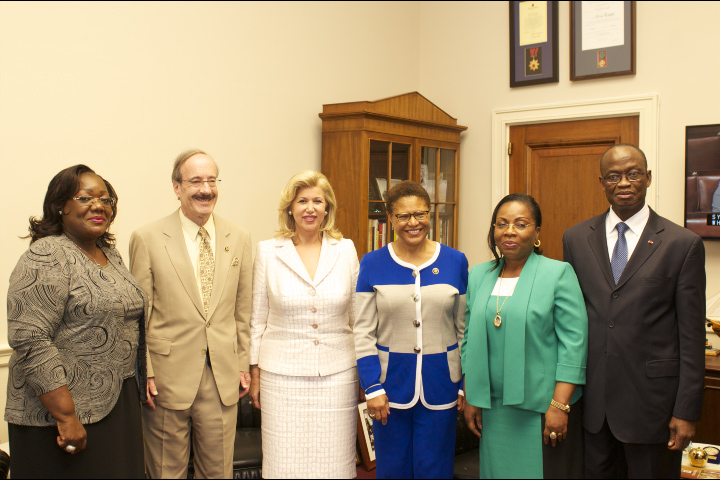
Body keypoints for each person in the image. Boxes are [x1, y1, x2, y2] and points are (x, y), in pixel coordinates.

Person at [563, 144, 706, 478]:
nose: (624, 182)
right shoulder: (576, 239)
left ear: (648, 178)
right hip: (593, 408)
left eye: (633, 174)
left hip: (653, 409)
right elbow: (571, 323)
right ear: (601, 182)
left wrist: (686, 411)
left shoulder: (681, 244)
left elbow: (691, 335)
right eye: (614, 176)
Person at [6, 165, 147, 479]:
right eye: (85, 197)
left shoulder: (109, 253)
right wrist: (67, 416)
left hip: (115, 403)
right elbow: (30, 340)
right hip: (59, 413)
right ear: (60, 206)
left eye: (106, 199)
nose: (99, 205)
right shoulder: (45, 256)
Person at [129, 149, 253, 479]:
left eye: (212, 180)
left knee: (217, 473)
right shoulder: (147, 238)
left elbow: (243, 310)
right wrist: (147, 370)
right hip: (166, 379)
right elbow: (139, 315)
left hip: (221, 377)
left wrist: (242, 363)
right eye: (196, 181)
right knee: (165, 472)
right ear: (177, 187)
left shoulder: (239, 237)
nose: (205, 189)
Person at [462, 193, 588, 479]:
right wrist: (472, 395)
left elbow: (574, 345)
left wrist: (559, 405)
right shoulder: (479, 275)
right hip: (492, 409)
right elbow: (469, 339)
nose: (509, 231)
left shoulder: (557, 274)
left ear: (537, 232)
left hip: (541, 408)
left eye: (521, 224)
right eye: (501, 223)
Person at [248, 170, 360, 479]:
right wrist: (255, 373)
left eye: (317, 201)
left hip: (337, 375)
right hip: (281, 378)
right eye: (302, 201)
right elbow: (257, 320)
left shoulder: (345, 250)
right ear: (290, 208)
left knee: (334, 463)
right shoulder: (269, 252)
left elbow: (358, 316)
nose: (310, 208)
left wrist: (366, 372)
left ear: (327, 208)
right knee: (285, 463)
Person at [354, 180, 468, 479]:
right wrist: (372, 387)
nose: (413, 222)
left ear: (430, 214)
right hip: (388, 388)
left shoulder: (455, 261)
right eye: (403, 216)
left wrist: (463, 383)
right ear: (390, 218)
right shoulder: (372, 263)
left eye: (420, 214)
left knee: (436, 469)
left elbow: (463, 329)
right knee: (393, 470)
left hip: (442, 383)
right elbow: (363, 331)